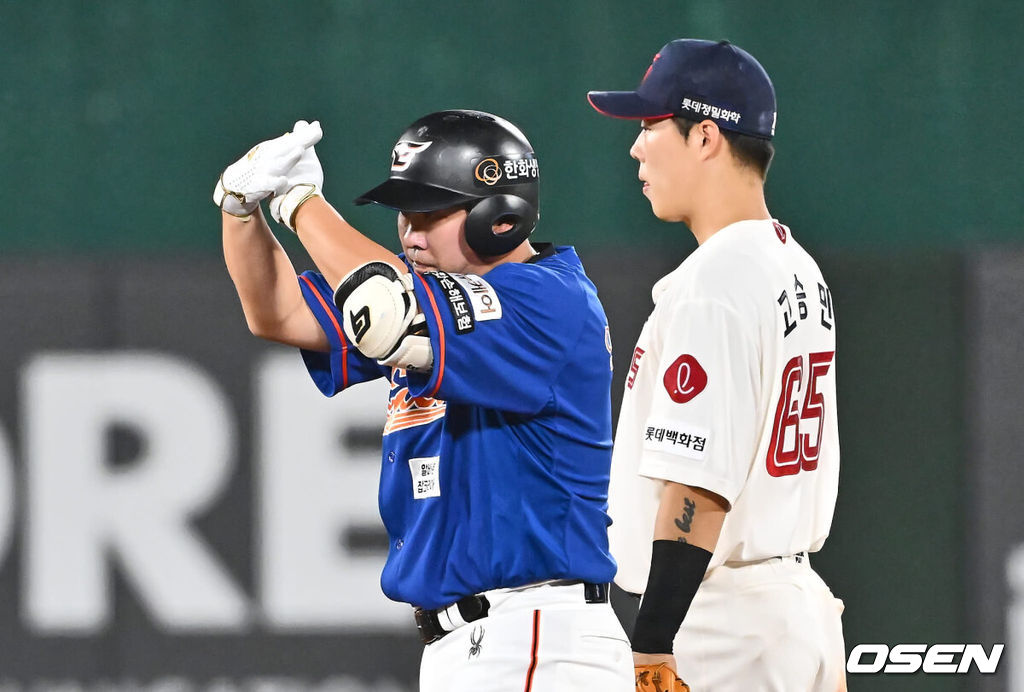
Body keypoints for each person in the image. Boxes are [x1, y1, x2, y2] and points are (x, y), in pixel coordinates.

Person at [213, 110, 634, 691]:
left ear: (500, 217)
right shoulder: (429, 297)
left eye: (432, 213)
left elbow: (388, 311)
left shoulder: (547, 300)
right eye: (405, 213)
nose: (411, 233)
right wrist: (242, 207)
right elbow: (278, 311)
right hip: (475, 646)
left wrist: (302, 203)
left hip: (535, 637)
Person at [588, 40, 847, 691]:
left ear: (706, 136)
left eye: (651, 126)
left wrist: (652, 643)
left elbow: (697, 486)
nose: (637, 147)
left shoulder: (715, 282)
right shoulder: (795, 265)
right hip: (792, 608)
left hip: (722, 626)